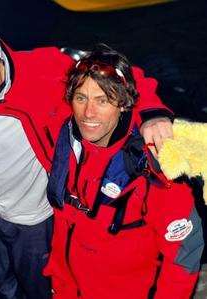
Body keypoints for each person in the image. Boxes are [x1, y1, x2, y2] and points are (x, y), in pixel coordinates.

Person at [0, 8, 175, 298]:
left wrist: (152, 113)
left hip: (35, 215)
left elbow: (118, 74)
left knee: (41, 290)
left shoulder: (42, 70)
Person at [44, 45, 203, 298]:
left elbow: (186, 251)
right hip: (67, 289)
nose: (88, 113)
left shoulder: (155, 166)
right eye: (81, 98)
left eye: (103, 101)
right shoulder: (63, 134)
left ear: (123, 104)